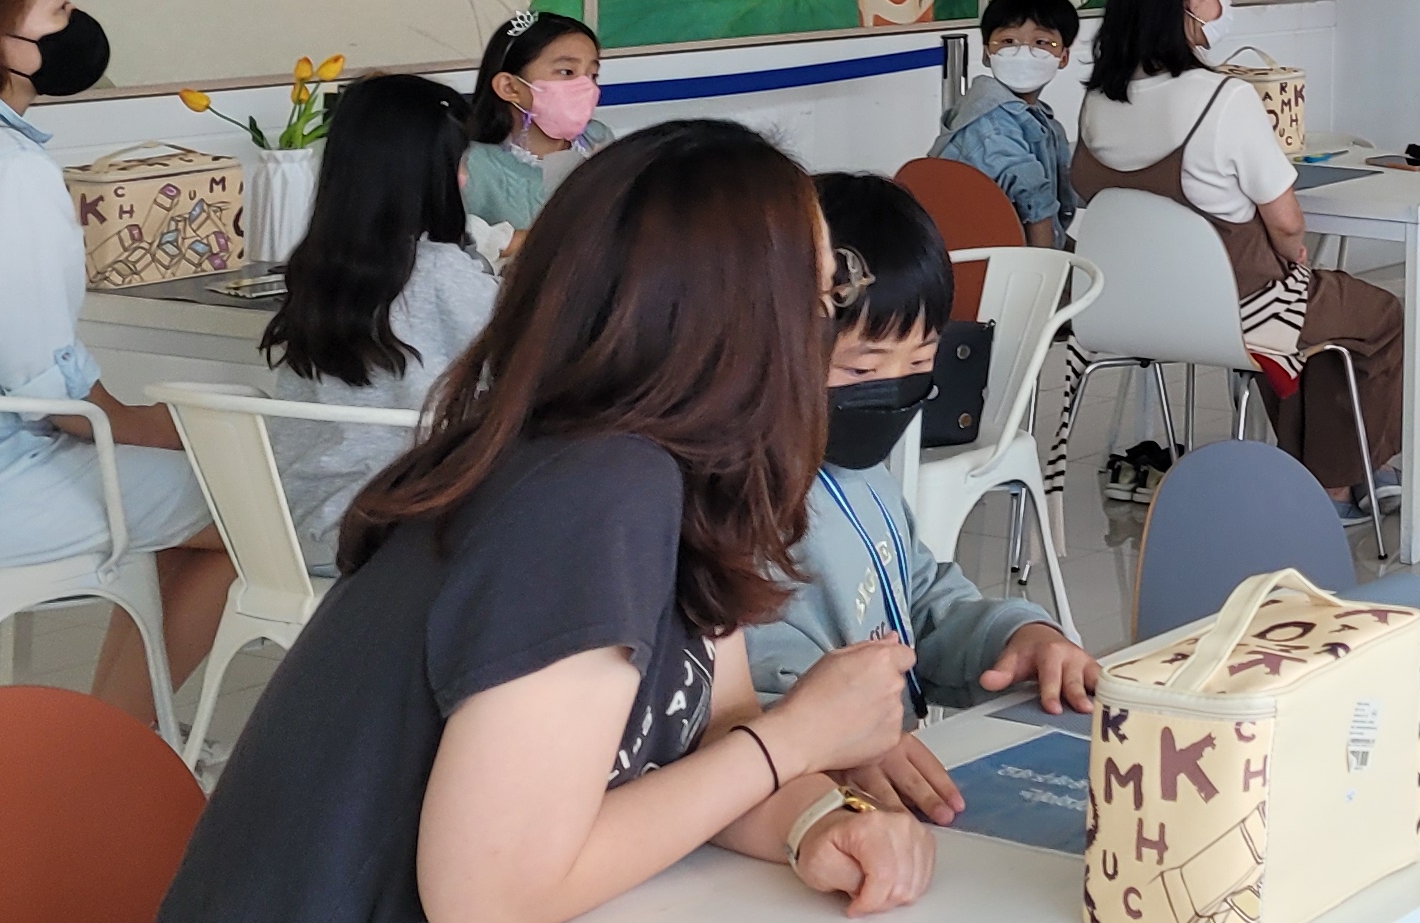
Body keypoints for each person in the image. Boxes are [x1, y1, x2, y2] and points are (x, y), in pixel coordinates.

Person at [158, 122, 931, 922]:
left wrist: (818, 819)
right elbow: (490, 898)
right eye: (822, 295)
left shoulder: (662, 476)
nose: (824, 326)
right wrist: (798, 739)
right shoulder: (595, 491)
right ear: (742, 325)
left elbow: (716, 733)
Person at [751, 176, 1097, 826]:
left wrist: (1016, 636)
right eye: (861, 370)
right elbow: (741, 697)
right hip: (802, 809)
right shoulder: (736, 508)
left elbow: (920, 600)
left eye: (919, 363)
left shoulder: (863, 475)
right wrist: (832, 741)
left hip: (889, 790)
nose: (891, 390)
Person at [1070, 0, 1408, 514]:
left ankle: (1333, 473)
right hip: (1234, 310)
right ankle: (1338, 484)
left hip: (1128, 309)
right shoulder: (1223, 99)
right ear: (1189, 0)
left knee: (1314, 319)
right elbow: (1288, 222)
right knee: (1373, 316)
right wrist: (1293, 254)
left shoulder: (1098, 101)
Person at [0, 0, 230, 728]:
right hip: (8, 481)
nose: (77, 25)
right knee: (250, 510)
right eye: (59, 8)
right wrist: (150, 424)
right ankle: (117, 742)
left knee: (181, 495)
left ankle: (108, 742)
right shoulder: (11, 170)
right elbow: (50, 391)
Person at [259, 73, 501, 572]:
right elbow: (531, 370)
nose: (464, 178)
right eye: (459, 163)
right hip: (395, 530)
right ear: (431, 174)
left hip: (296, 526)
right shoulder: (444, 273)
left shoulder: (315, 272)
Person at [935, 0, 1078, 243]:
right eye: (1008, 41)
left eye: (1041, 42)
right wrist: (1050, 267)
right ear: (987, 53)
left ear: (1063, 56)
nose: (1023, 52)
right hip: (990, 257)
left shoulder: (1040, 117)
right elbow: (1035, 200)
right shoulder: (990, 121)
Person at [464, 9, 610, 233]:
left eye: (593, 75)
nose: (586, 86)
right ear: (510, 87)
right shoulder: (472, 165)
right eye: (566, 71)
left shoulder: (598, 139)